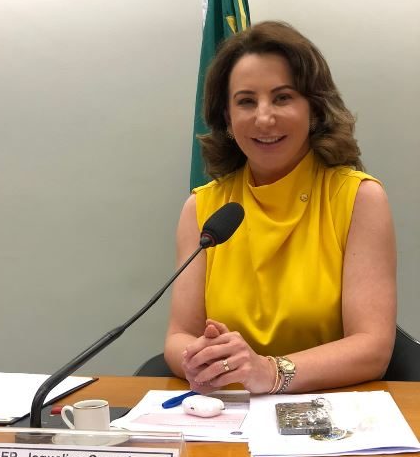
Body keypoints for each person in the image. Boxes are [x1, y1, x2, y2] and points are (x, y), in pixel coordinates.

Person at [164, 21, 396, 395]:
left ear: (314, 109)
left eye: (283, 97)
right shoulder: (202, 207)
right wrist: (199, 357)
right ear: (227, 117)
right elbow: (179, 337)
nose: (264, 118)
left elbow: (373, 347)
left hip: (331, 409)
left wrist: (271, 372)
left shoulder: (358, 198)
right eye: (246, 101)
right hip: (229, 410)